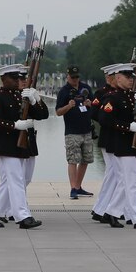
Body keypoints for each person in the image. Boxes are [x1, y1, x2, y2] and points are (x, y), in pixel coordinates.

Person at [0, 63, 47, 229]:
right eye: (16, 78)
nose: (20, 81)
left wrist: (36, 99)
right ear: (4, 79)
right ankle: (23, 216)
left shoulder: (22, 96)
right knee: (16, 180)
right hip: (6, 144)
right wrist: (14, 125)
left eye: (22, 78)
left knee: (13, 180)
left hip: (21, 145)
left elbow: (43, 115)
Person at [99, 62, 136, 229]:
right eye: (127, 77)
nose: (131, 80)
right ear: (118, 78)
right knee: (131, 182)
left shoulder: (134, 97)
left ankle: (111, 212)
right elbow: (104, 119)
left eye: (132, 77)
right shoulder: (112, 98)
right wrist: (127, 127)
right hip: (122, 144)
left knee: (126, 181)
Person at [90, 64, 124, 227]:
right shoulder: (102, 94)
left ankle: (102, 208)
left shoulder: (122, 94)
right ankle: (105, 209)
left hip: (120, 138)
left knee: (113, 175)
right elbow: (96, 114)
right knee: (115, 174)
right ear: (109, 78)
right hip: (109, 136)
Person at [55, 65, 95, 199]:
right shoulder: (64, 91)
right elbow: (58, 112)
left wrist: (90, 104)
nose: (75, 79)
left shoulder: (86, 88)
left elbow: (95, 106)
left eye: (77, 77)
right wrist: (69, 106)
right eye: (73, 77)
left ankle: (78, 187)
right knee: (73, 160)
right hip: (72, 131)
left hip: (87, 130)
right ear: (68, 77)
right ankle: (73, 188)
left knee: (86, 160)